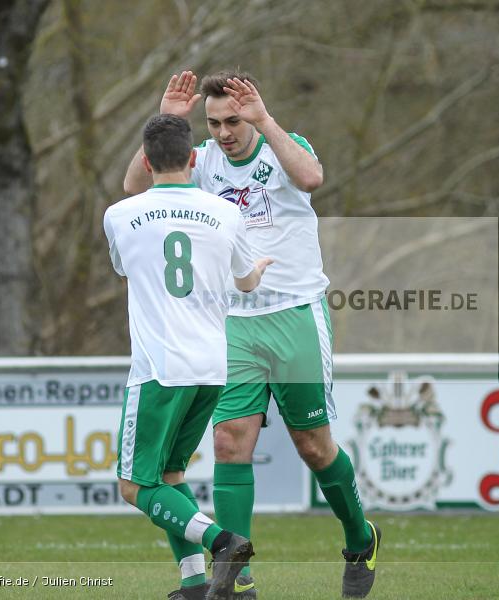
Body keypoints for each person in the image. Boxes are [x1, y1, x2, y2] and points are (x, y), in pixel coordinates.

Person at [124, 70, 380, 599]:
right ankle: (237, 577)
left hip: (295, 315)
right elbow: (136, 188)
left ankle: (360, 537)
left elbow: (311, 179)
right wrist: (170, 119)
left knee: (313, 446)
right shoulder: (202, 162)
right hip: (234, 322)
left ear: (252, 114)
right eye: (213, 123)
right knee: (228, 441)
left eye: (232, 121)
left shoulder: (284, 148)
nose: (222, 133)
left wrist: (267, 121)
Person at [106, 113, 273, 600]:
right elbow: (245, 281)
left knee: (134, 486)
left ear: (145, 159)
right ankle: (194, 585)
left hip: (159, 369)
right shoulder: (225, 213)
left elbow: (126, 266)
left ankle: (223, 541)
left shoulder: (120, 214)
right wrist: (257, 268)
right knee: (171, 477)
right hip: (211, 368)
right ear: (194, 158)